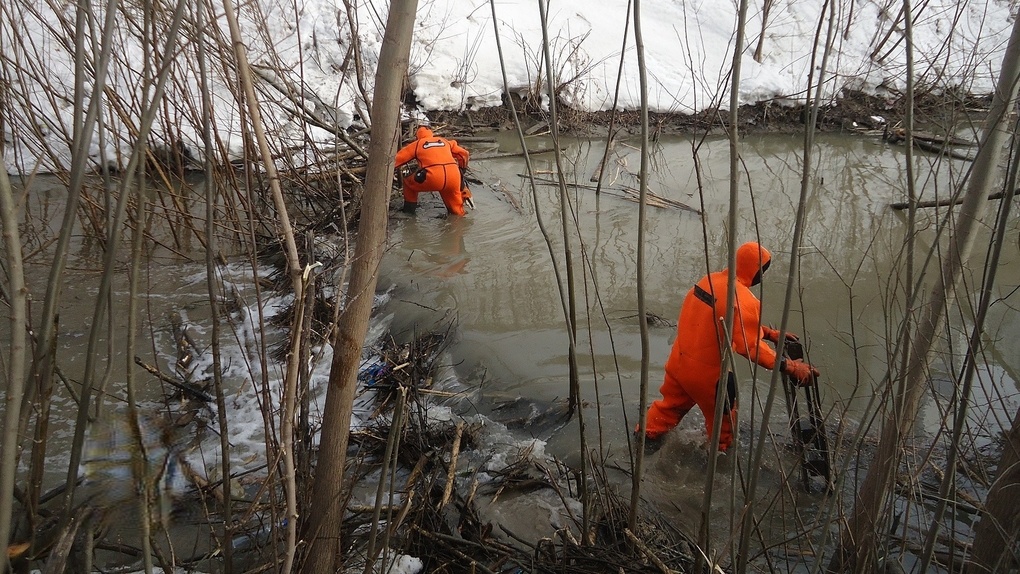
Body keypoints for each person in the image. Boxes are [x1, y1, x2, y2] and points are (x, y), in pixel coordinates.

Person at [638, 242, 820, 454]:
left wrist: (769, 334)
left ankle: (640, 447)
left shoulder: (709, 280)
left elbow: (723, 322)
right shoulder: (743, 299)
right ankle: (716, 465)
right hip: (708, 378)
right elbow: (750, 347)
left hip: (678, 364)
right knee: (722, 433)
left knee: (664, 413)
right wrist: (790, 367)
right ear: (758, 271)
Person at [394, 125, 474, 216]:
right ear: (431, 134)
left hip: (432, 177)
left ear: (417, 137)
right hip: (453, 176)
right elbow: (464, 154)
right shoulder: (446, 142)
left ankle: (409, 212)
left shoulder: (417, 144)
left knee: (408, 184)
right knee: (456, 211)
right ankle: (458, 219)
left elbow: (396, 160)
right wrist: (462, 169)